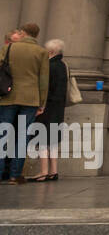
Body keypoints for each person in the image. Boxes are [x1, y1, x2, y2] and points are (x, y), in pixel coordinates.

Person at [0, 24, 48, 184]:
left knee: (3, 134)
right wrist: (42, 103)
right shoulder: (41, 52)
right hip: (31, 98)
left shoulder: (8, 48)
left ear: (22, 33)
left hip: (8, 96)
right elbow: (43, 81)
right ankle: (15, 175)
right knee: (23, 136)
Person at [32, 38, 69, 182]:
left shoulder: (49, 66)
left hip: (47, 108)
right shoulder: (64, 65)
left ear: (51, 51)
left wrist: (40, 106)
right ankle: (53, 171)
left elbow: (44, 88)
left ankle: (43, 172)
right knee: (52, 141)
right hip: (58, 108)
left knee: (42, 140)